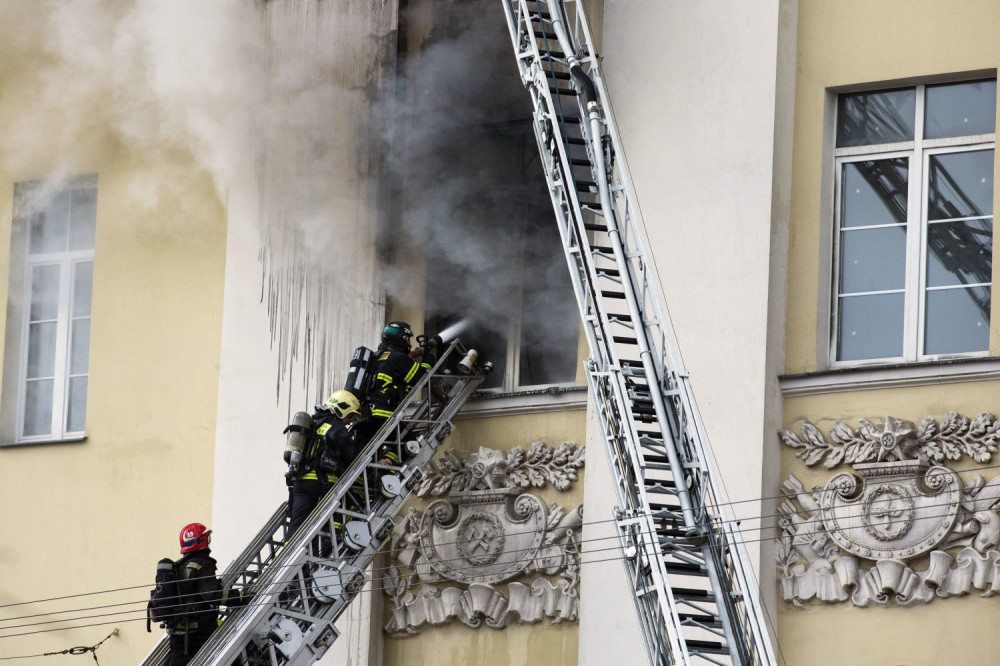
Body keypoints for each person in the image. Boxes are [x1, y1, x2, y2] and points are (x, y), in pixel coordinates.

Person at [163, 523, 249, 665]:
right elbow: (213, 594)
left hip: (177, 634)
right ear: (199, 540)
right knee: (231, 660)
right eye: (206, 538)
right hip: (199, 633)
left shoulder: (179, 566)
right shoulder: (202, 563)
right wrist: (240, 597)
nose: (208, 542)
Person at [285, 390, 366, 538]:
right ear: (341, 409)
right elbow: (353, 457)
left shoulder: (313, 423)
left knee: (296, 526)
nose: (349, 421)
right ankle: (329, 540)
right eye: (349, 416)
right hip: (321, 482)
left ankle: (288, 557)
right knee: (350, 500)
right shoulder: (336, 428)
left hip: (300, 483)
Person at [353, 321, 433, 447]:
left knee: (365, 455)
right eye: (407, 339)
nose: (408, 343)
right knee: (409, 445)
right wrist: (428, 359)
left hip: (365, 416)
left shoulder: (376, 357)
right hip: (383, 416)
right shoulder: (397, 357)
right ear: (402, 338)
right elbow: (420, 378)